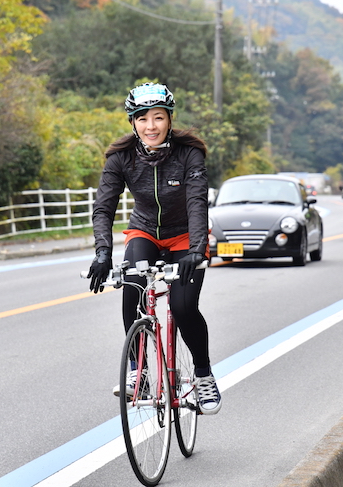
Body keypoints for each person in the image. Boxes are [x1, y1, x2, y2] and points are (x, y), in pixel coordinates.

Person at [87, 82, 221, 415]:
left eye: (158, 118)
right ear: (132, 122)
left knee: (183, 305)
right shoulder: (121, 158)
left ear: (169, 119)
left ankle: (203, 375)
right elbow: (103, 207)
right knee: (131, 290)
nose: (151, 126)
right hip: (144, 231)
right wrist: (103, 252)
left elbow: (196, 201)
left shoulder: (189, 154)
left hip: (185, 237)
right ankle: (139, 371)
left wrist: (197, 248)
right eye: (143, 119)